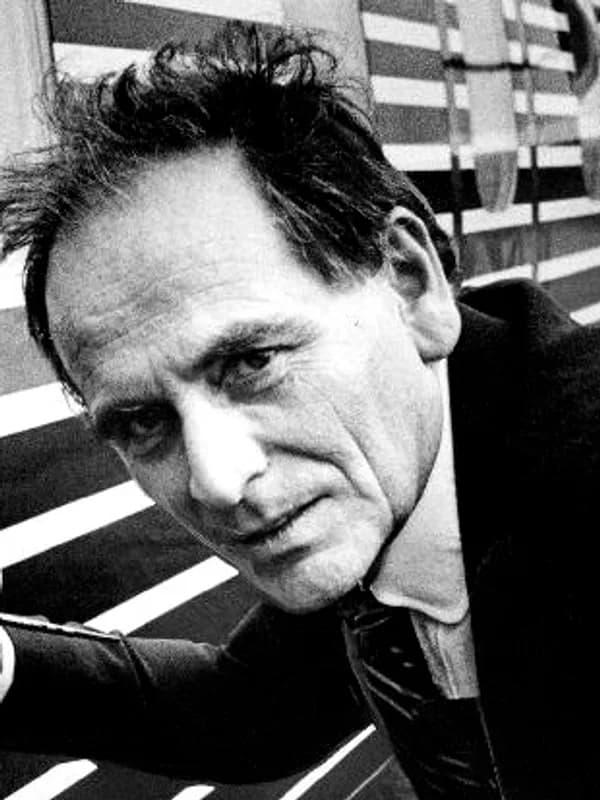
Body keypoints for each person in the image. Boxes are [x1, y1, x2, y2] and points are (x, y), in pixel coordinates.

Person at [1, 23, 599, 799]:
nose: (218, 481)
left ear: (409, 283)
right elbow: (254, 709)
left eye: (253, 362)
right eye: (143, 422)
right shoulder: (395, 470)